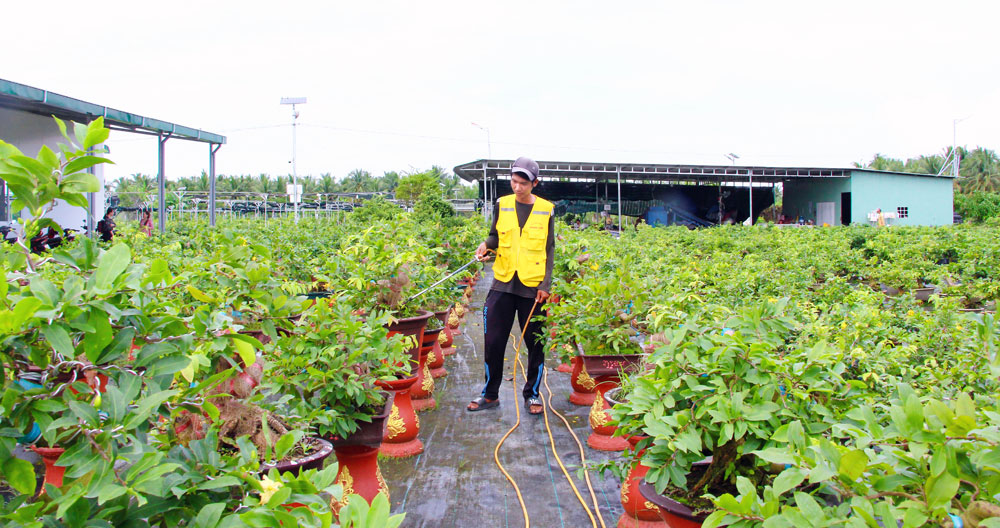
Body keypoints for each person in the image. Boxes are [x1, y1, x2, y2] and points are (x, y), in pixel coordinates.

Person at [468, 157, 555, 415]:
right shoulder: (502, 204)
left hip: (532, 287)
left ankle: (532, 394)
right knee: (493, 340)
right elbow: (495, 234)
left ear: (534, 183)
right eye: (514, 181)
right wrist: (486, 245)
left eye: (523, 183)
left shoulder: (546, 209)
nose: (517, 187)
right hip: (503, 282)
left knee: (535, 344)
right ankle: (490, 393)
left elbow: (550, 248)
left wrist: (546, 283)